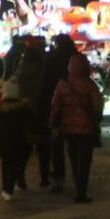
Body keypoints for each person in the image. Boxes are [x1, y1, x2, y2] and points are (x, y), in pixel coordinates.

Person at [50, 52, 103, 203]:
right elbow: (97, 106)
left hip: (68, 129)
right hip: (87, 129)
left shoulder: (63, 85)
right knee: (84, 161)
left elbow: (55, 107)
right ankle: (82, 191)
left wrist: (54, 123)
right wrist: (96, 120)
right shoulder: (90, 85)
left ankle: (77, 184)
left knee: (73, 158)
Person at [37, 33, 76, 190]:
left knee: (57, 144)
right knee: (74, 144)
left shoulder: (51, 60)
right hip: (74, 107)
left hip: (56, 105)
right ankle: (78, 175)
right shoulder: (75, 59)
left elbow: (45, 85)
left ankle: (58, 178)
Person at [0, 78, 33, 201]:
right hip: (19, 141)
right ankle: (10, 188)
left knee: (5, 164)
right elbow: (30, 124)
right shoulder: (23, 108)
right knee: (14, 164)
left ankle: (6, 188)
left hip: (2, 142)